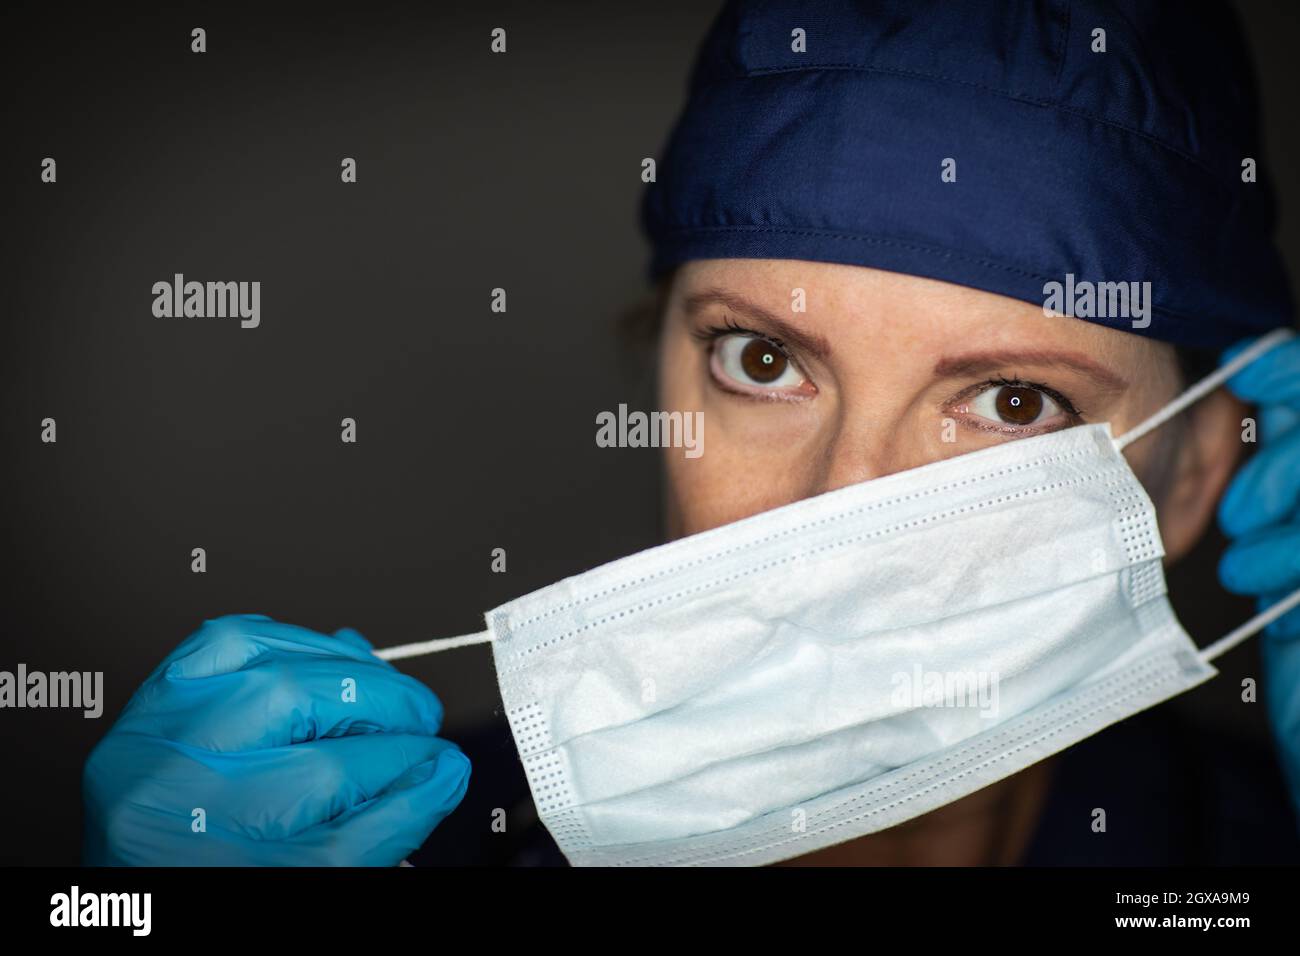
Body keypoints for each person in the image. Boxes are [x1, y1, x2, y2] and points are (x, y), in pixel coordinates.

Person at [83, 0, 1300, 866]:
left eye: (1014, 403)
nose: (839, 514)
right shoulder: (399, 842)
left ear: (1190, 474)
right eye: (763, 360)